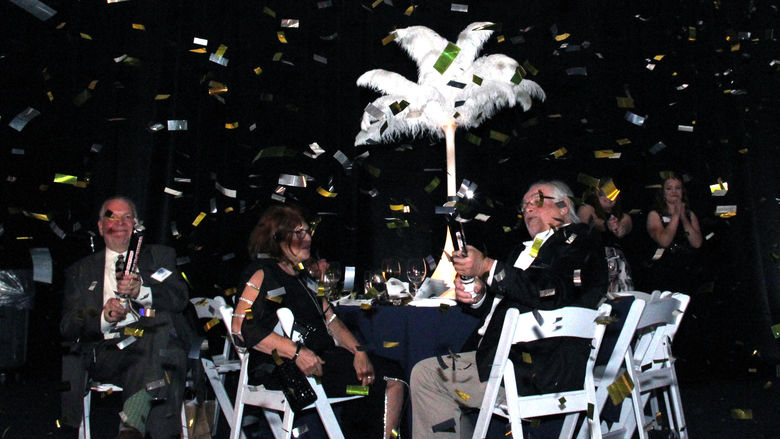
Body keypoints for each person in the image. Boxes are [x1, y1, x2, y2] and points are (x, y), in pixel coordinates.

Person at [410, 180, 608, 438]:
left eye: (535, 201)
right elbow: (505, 306)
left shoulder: (581, 240)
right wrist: (479, 296)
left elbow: (551, 290)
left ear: (563, 206)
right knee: (432, 365)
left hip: (535, 371)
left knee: (427, 376)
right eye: (523, 205)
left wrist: (489, 267)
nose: (527, 209)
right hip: (505, 360)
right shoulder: (523, 250)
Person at [231, 205, 404, 439]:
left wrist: (358, 351)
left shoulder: (301, 277)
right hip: (285, 371)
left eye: (308, 231)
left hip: (322, 362)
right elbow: (242, 326)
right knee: (389, 378)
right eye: (299, 233)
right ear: (277, 238)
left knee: (379, 374)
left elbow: (331, 319)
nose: (308, 237)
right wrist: (296, 353)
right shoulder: (263, 272)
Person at [60, 196, 191, 439]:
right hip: (107, 352)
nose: (120, 222)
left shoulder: (160, 256)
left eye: (127, 217)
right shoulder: (81, 270)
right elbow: (68, 326)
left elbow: (179, 298)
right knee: (164, 357)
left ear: (136, 225)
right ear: (100, 226)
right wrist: (103, 316)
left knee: (158, 329)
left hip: (151, 346)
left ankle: (131, 429)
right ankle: (135, 427)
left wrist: (142, 291)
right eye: (112, 216)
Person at [644, 172, 703, 292]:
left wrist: (683, 217)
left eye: (677, 188)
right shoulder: (655, 215)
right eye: (669, 188)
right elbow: (664, 241)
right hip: (664, 271)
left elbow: (697, 243)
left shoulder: (690, 215)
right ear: (663, 192)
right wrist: (676, 215)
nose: (674, 192)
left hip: (688, 270)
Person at [577, 177, 635, 293]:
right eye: (603, 194)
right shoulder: (587, 208)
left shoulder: (623, 216)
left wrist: (618, 227)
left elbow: (624, 228)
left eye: (612, 194)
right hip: (593, 260)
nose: (608, 198)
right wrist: (606, 225)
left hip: (617, 264)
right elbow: (588, 221)